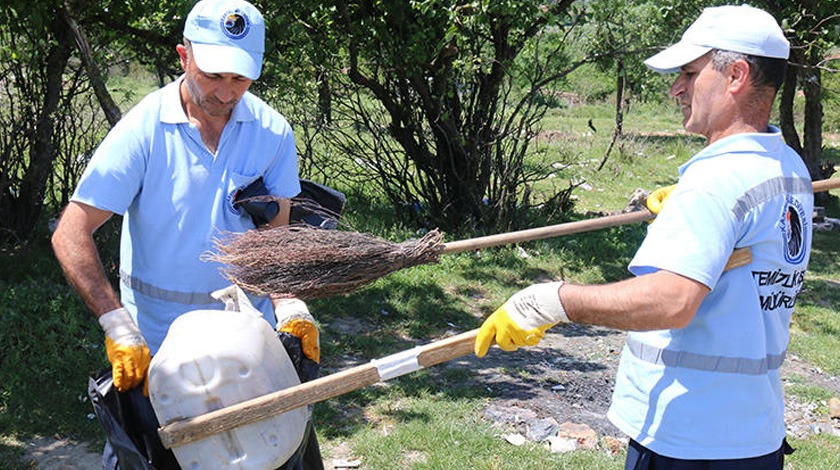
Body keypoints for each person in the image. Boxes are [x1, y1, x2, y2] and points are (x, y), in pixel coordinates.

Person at [474, 4, 813, 469]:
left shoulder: (717, 181)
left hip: (687, 437)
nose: (677, 88)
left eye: (690, 74)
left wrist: (551, 301)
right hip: (752, 434)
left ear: (735, 75)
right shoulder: (786, 167)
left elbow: (672, 301)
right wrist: (690, 217)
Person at [51, 0, 323, 468]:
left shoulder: (271, 132)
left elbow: (278, 232)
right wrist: (116, 325)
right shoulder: (145, 130)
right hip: (161, 350)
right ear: (184, 56)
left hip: (246, 344)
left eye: (239, 78)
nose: (225, 92)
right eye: (213, 75)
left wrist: (289, 302)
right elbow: (70, 232)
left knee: (262, 454)